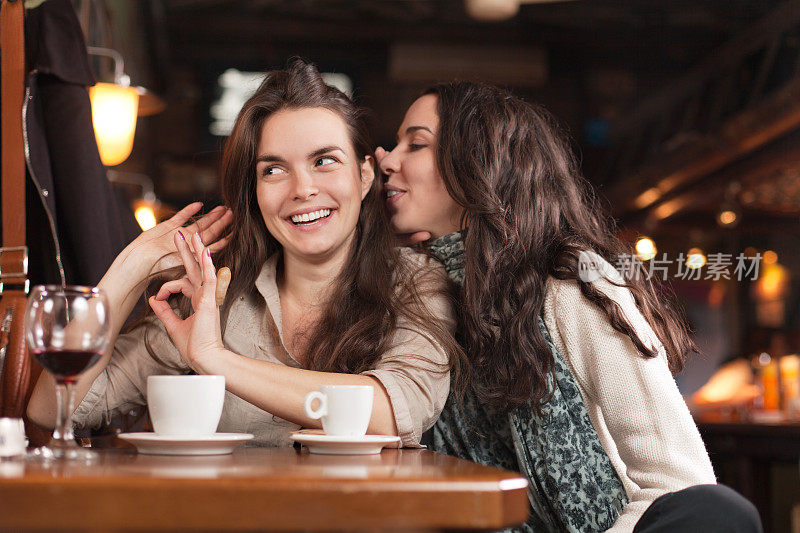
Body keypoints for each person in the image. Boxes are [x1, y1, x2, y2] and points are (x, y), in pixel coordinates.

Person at [376, 83, 762, 532]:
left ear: (477, 164)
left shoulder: (572, 282)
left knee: (718, 512)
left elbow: (677, 479)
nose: (386, 158)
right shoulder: (416, 294)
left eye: (416, 144)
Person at [28, 60, 462, 448]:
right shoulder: (217, 294)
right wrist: (132, 267)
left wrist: (216, 359)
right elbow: (55, 409)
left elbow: (395, 409)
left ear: (365, 175)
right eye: (273, 169)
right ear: (254, 194)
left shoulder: (416, 280)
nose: (302, 189)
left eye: (324, 160)